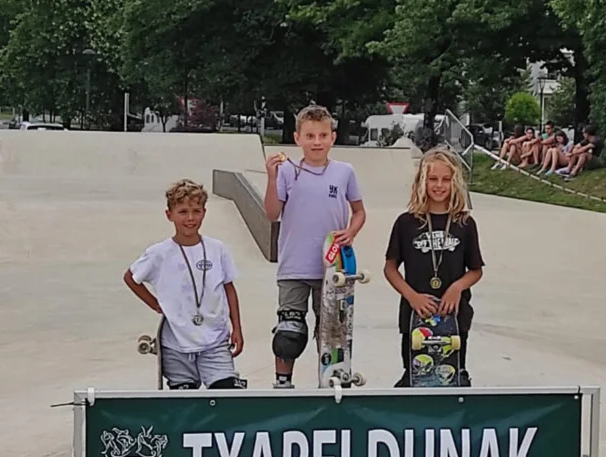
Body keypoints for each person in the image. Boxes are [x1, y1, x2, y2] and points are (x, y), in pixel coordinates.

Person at [263, 104, 366, 389]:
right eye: (310, 136)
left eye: (322, 135)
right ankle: (283, 385)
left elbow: (359, 211)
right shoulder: (287, 171)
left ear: (333, 137)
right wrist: (271, 178)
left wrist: (351, 231)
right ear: (297, 138)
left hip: (333, 267)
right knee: (289, 332)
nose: (317, 142)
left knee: (332, 333)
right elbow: (271, 213)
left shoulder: (344, 172)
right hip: (294, 265)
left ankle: (331, 384)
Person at [123, 179, 246, 390]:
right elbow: (131, 278)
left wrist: (237, 328)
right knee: (184, 399)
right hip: (176, 343)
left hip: (214, 339)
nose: (190, 218)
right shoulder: (159, 253)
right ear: (169, 215)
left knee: (226, 393)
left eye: (196, 211)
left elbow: (228, 288)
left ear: (204, 213)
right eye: (183, 212)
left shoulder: (217, 249)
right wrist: (155, 304)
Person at [383, 147, 485, 387]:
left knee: (451, 374)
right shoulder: (406, 223)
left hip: (454, 316)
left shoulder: (465, 223)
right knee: (417, 375)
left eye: (446, 179)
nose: (439, 185)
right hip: (416, 315)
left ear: (454, 183)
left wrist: (457, 288)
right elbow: (390, 268)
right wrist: (412, 297)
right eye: (433, 179)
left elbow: (476, 270)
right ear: (422, 181)